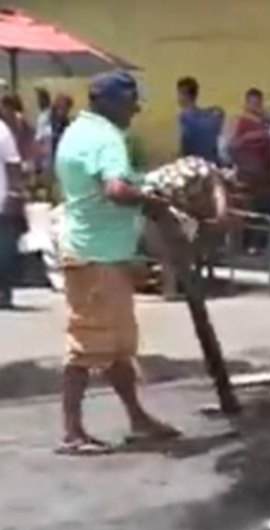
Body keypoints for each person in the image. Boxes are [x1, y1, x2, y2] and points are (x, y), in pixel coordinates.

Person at [54, 70, 182, 455]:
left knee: (118, 346)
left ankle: (138, 420)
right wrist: (154, 201)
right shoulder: (107, 137)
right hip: (98, 256)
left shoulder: (77, 131)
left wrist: (141, 183)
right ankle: (72, 432)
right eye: (130, 102)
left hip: (94, 249)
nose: (136, 109)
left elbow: (108, 182)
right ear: (109, 102)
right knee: (88, 345)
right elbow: (115, 189)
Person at [229, 88, 270, 216]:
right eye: (252, 103)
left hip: (266, 180)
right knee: (248, 215)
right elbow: (232, 145)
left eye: (258, 103)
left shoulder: (267, 124)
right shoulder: (240, 122)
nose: (255, 107)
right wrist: (248, 137)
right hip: (247, 178)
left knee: (266, 215)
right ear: (246, 104)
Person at [0, 116, 24, 309]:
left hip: (1, 202)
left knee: (4, 252)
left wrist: (14, 193)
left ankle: (3, 291)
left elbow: (13, 164)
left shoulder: (2, 131)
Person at [176, 77, 223, 163]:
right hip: (212, 163)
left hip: (193, 164)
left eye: (179, 93)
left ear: (185, 95)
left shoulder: (185, 118)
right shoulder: (211, 116)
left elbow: (184, 146)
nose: (177, 97)